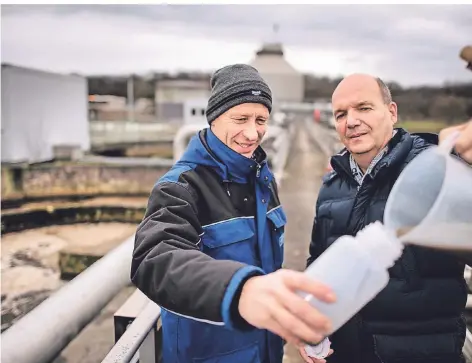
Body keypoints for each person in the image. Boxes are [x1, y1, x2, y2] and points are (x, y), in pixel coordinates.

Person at [130, 64, 335, 363]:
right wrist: (239, 289)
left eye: (261, 120)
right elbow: (155, 259)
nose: (252, 133)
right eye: (240, 118)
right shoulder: (182, 187)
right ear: (214, 117)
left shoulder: (264, 180)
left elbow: (267, 275)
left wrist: (292, 321)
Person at [301, 73, 472, 363]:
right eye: (341, 114)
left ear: (391, 112)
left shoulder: (435, 172)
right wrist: (312, 326)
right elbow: (319, 263)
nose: (351, 121)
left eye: (364, 108)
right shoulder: (332, 185)